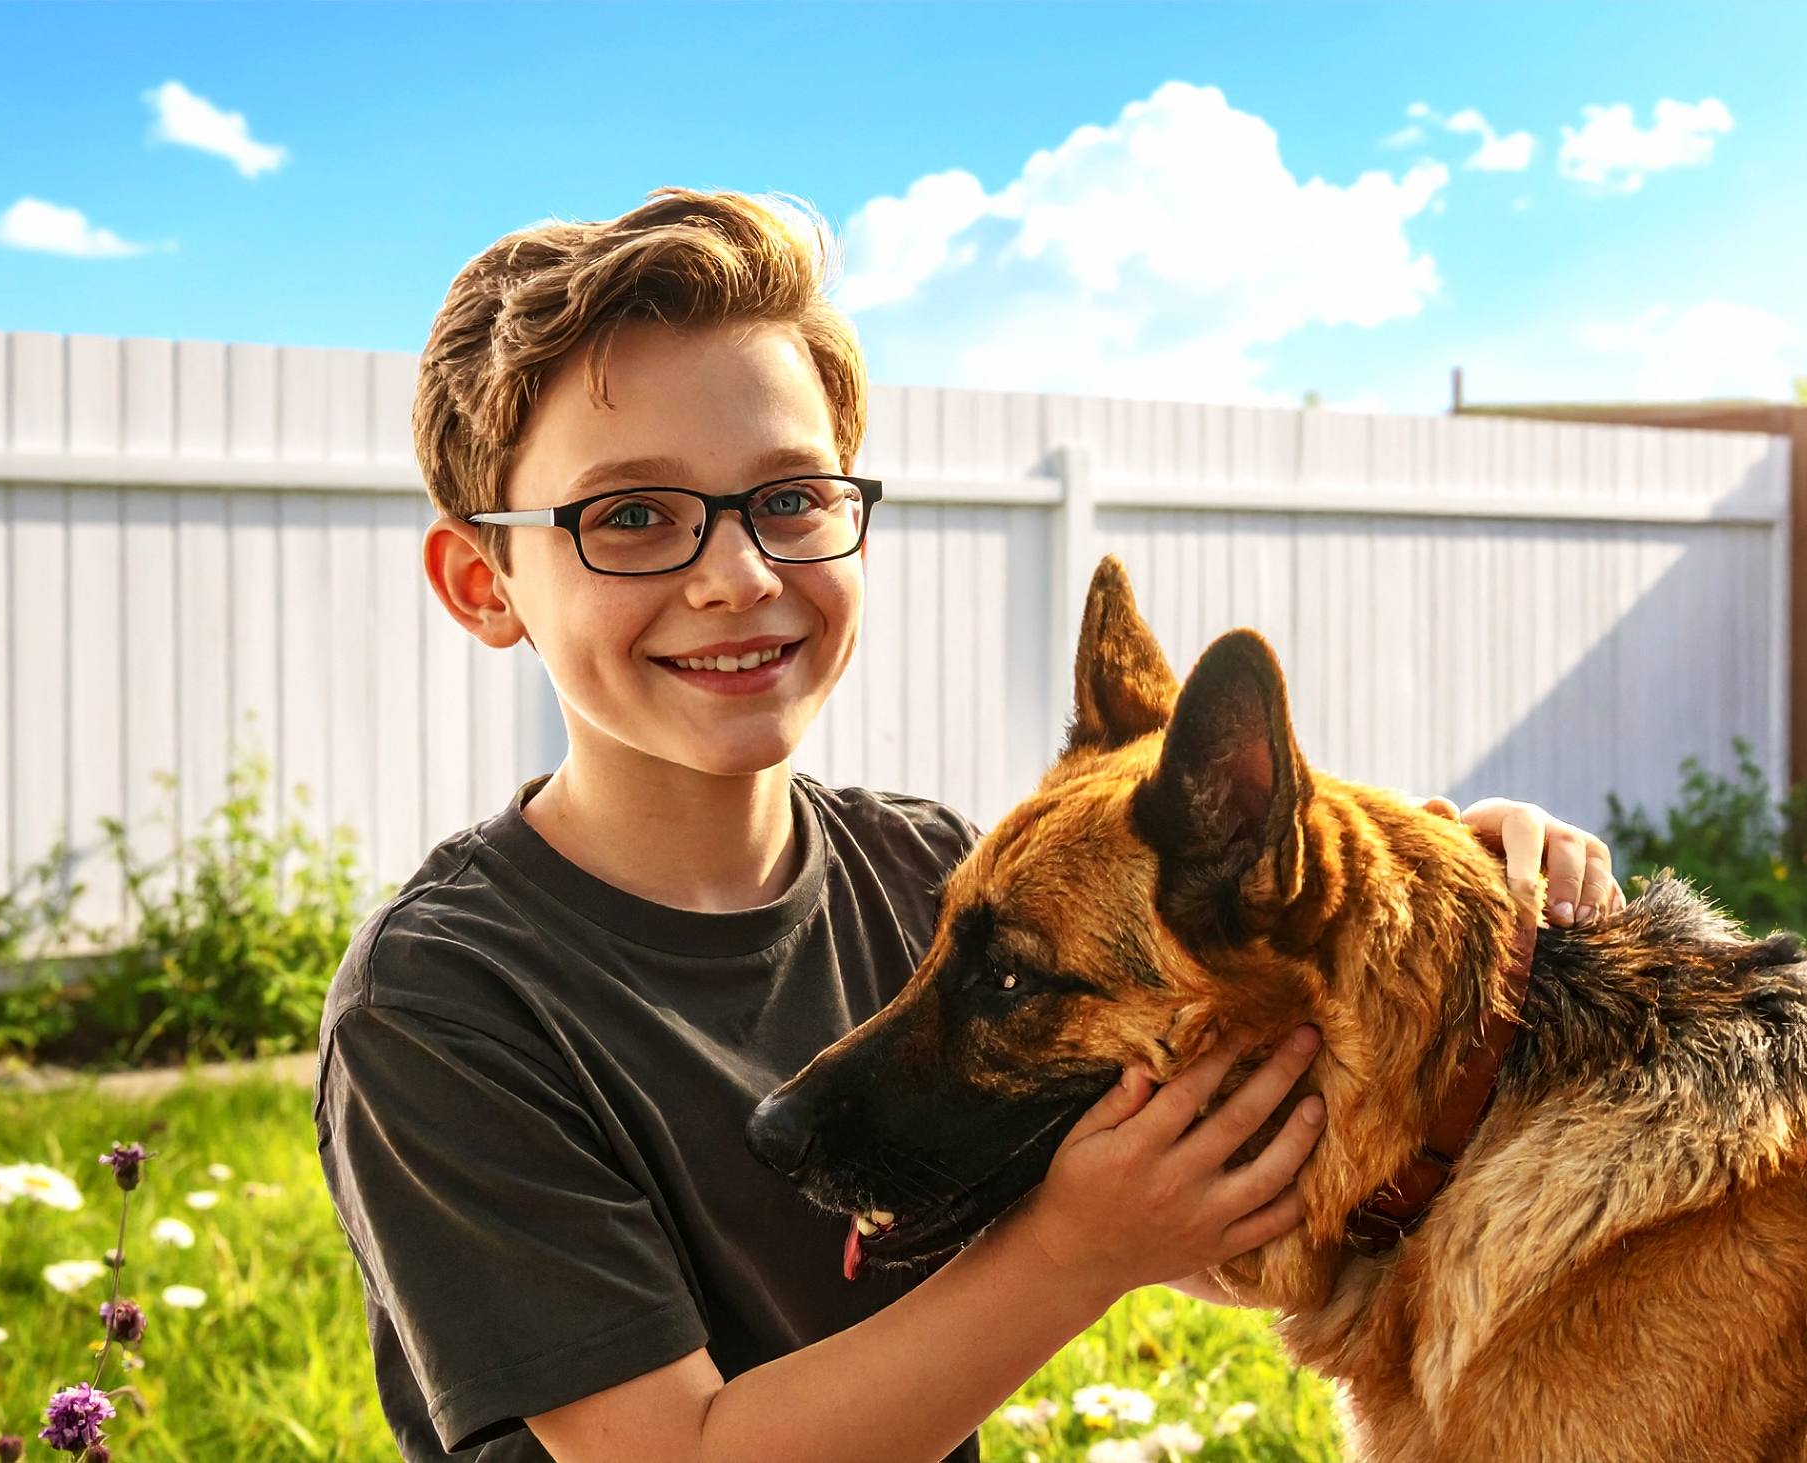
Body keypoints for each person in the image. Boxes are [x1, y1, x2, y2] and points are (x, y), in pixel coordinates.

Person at [316, 188, 1624, 1463]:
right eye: (633, 517)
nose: (735, 576)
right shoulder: (443, 1003)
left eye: (789, 497)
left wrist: (1455, 912)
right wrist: (1069, 1249)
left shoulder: (934, 882)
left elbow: (1256, 1172)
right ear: (482, 582)